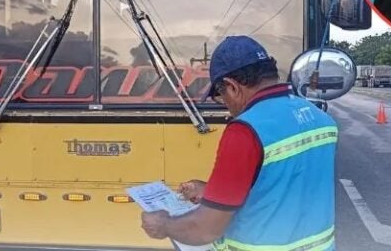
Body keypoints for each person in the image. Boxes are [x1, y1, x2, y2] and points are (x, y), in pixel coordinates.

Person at [140, 35, 338, 250]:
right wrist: (212, 191)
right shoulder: (319, 118)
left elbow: (205, 229)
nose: (225, 105)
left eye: (220, 95)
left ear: (232, 86)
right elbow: (283, 186)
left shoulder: (245, 131)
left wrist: (164, 225)